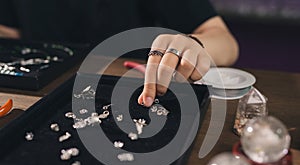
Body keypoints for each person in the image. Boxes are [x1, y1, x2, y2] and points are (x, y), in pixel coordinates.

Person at [0, 0, 239, 106]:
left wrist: (194, 45)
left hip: (131, 93)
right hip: (39, 101)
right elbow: (12, 35)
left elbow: (224, 41)